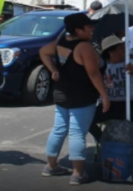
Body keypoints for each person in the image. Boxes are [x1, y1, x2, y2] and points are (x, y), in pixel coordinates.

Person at [38, 13, 110, 185]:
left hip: (61, 94)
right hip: (82, 95)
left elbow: (43, 52)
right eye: (88, 27)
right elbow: (93, 73)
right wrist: (105, 95)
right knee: (77, 133)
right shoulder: (84, 47)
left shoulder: (60, 42)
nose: (92, 29)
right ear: (78, 30)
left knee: (59, 129)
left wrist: (53, 69)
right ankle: (78, 174)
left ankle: (51, 166)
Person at [88, 35, 133, 144]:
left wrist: (132, 69)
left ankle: (131, 148)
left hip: (130, 104)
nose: (124, 51)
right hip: (109, 105)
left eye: (124, 48)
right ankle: (104, 141)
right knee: (87, 121)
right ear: (110, 52)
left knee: (130, 125)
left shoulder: (129, 62)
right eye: (120, 49)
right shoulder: (103, 66)